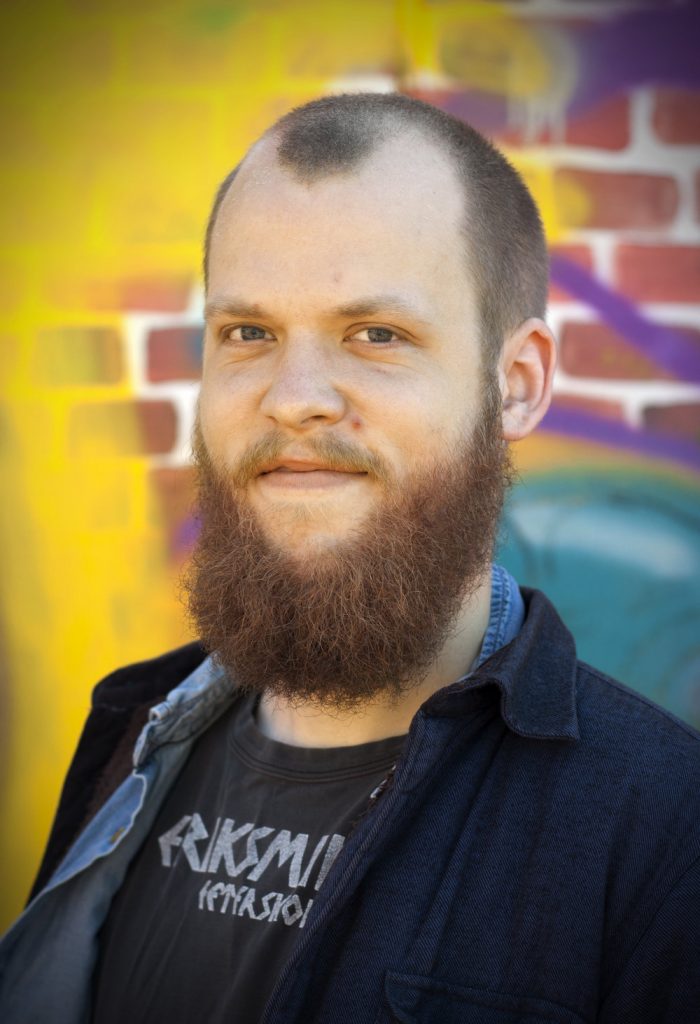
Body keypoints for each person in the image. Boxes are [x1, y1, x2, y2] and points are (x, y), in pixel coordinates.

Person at [1, 93, 698, 1024]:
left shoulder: (661, 831)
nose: (295, 399)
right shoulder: (127, 738)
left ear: (516, 385)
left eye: (376, 335)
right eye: (249, 333)